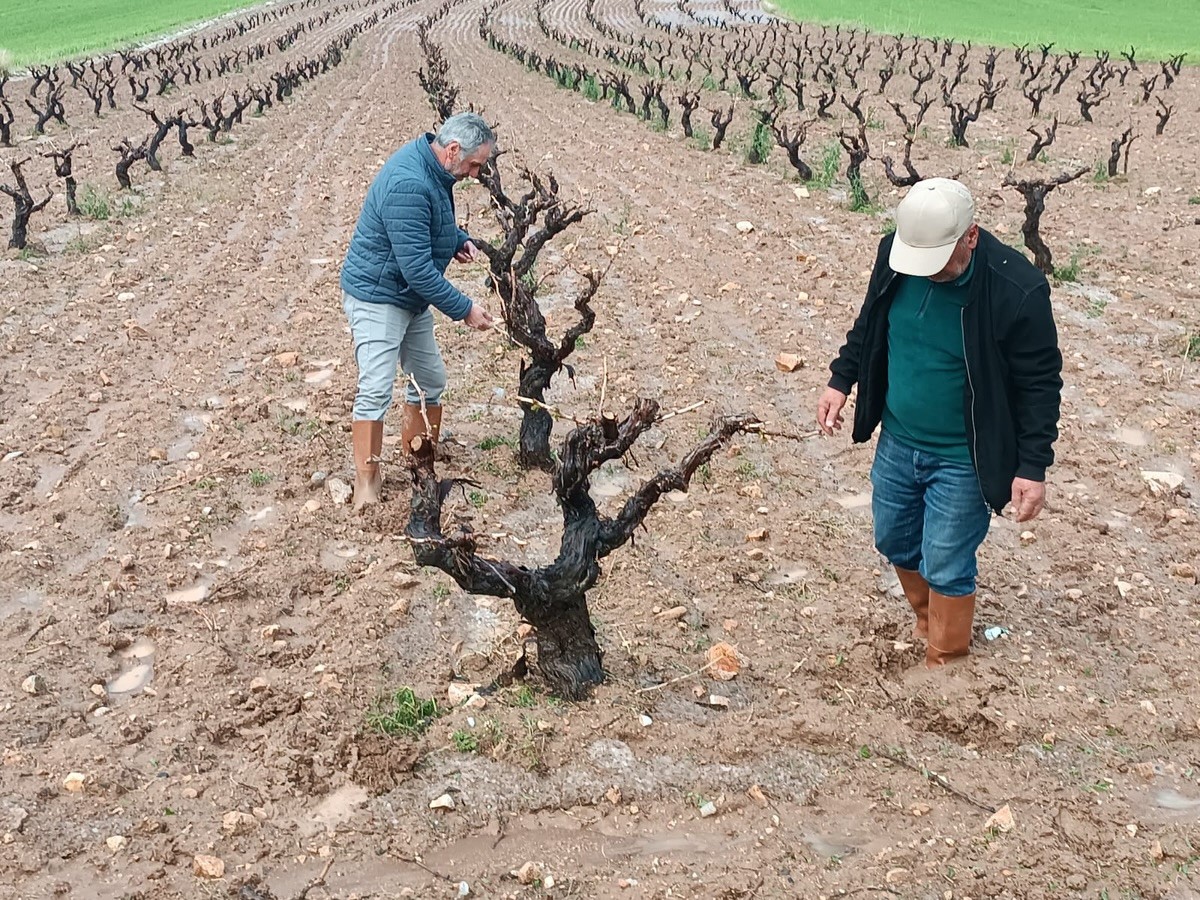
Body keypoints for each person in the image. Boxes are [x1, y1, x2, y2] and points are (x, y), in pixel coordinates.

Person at [816, 178, 1063, 667]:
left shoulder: (1017, 289)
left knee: (946, 560)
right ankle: (928, 619)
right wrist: (841, 379)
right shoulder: (898, 254)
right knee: (893, 538)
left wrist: (1032, 466)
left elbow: (1040, 384)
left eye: (937, 261)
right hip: (898, 438)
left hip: (963, 457)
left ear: (971, 236)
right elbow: (871, 322)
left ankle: (945, 662)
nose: (924, 272)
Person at [341, 112, 497, 511]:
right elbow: (417, 270)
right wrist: (465, 309)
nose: (476, 174)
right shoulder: (409, 183)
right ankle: (366, 481)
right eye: (474, 164)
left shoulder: (435, 170)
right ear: (453, 150)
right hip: (379, 296)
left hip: (408, 295)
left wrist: (456, 240)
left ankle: (418, 459)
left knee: (429, 379)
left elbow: (427, 224)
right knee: (376, 388)